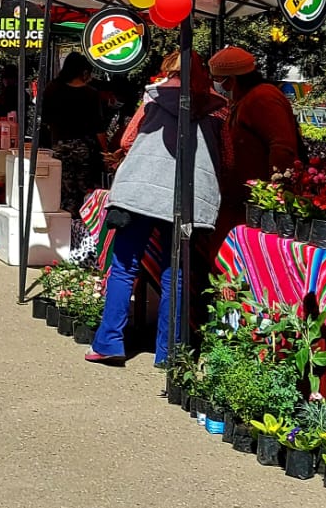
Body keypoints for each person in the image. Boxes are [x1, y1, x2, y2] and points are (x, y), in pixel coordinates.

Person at [87, 51, 224, 368]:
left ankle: (109, 343)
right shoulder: (218, 109)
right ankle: (169, 353)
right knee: (175, 273)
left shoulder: (153, 98)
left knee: (124, 267)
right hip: (187, 197)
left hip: (141, 191)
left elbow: (128, 139)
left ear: (170, 72)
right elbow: (227, 157)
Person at [209, 46, 303, 239]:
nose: (218, 86)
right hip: (241, 203)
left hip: (258, 206)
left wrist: (276, 195)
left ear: (232, 80)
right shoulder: (245, 99)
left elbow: (282, 147)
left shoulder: (263, 97)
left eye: (219, 80)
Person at [42, 51, 108, 214]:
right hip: (84, 149)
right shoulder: (91, 94)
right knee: (84, 189)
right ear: (84, 72)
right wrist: (106, 152)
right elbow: (99, 127)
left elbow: (44, 119)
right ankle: (84, 223)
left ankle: (65, 225)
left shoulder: (52, 88)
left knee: (64, 190)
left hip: (59, 146)